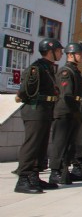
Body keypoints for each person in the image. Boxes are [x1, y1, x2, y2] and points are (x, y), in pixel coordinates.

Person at [14, 38, 63, 194]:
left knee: (40, 147)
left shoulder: (48, 68)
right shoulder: (37, 68)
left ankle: (34, 177)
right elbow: (25, 90)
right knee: (32, 145)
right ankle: (23, 179)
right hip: (35, 110)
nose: (61, 53)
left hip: (45, 110)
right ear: (50, 51)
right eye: (59, 51)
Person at [49, 43, 82, 186]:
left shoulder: (75, 71)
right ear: (70, 55)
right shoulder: (66, 72)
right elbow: (67, 95)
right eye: (79, 54)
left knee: (70, 143)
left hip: (73, 111)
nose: (81, 56)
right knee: (60, 143)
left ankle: (64, 170)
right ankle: (54, 172)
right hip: (64, 111)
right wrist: (75, 110)